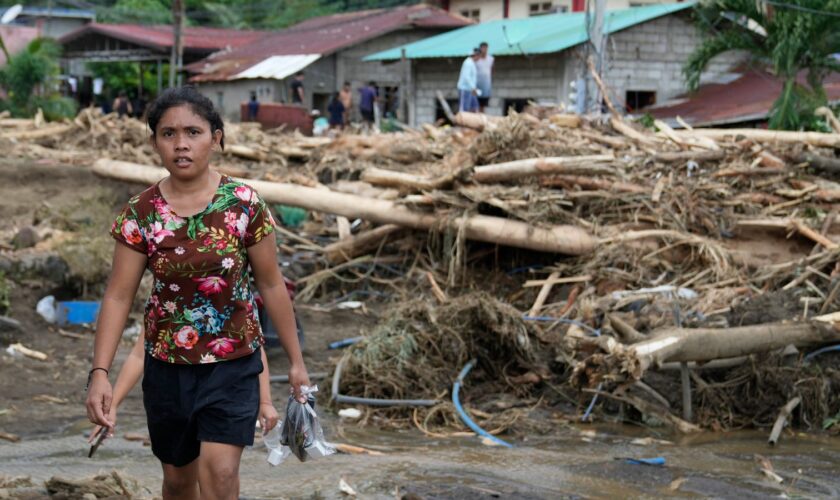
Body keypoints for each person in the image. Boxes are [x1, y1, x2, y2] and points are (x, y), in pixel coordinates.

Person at [85, 86, 310, 500]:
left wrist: (296, 362)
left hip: (234, 363)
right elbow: (118, 296)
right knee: (177, 481)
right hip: (167, 365)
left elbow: (271, 283)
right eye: (168, 134)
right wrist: (99, 373)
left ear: (216, 138)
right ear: (154, 142)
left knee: (221, 475)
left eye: (193, 132)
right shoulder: (141, 213)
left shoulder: (243, 204)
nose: (181, 144)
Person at [457, 49, 481, 113]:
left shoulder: (472, 63)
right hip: (464, 89)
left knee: (475, 107)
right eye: (479, 56)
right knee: (464, 109)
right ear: (476, 55)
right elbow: (466, 77)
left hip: (470, 90)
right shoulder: (468, 63)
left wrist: (473, 88)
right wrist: (473, 87)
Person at [476, 42, 494, 113]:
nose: (484, 50)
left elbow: (491, 71)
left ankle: (482, 118)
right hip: (477, 85)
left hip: (486, 85)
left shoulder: (491, 59)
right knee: (476, 104)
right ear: (480, 49)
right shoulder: (477, 59)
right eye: (483, 48)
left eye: (485, 48)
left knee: (484, 104)